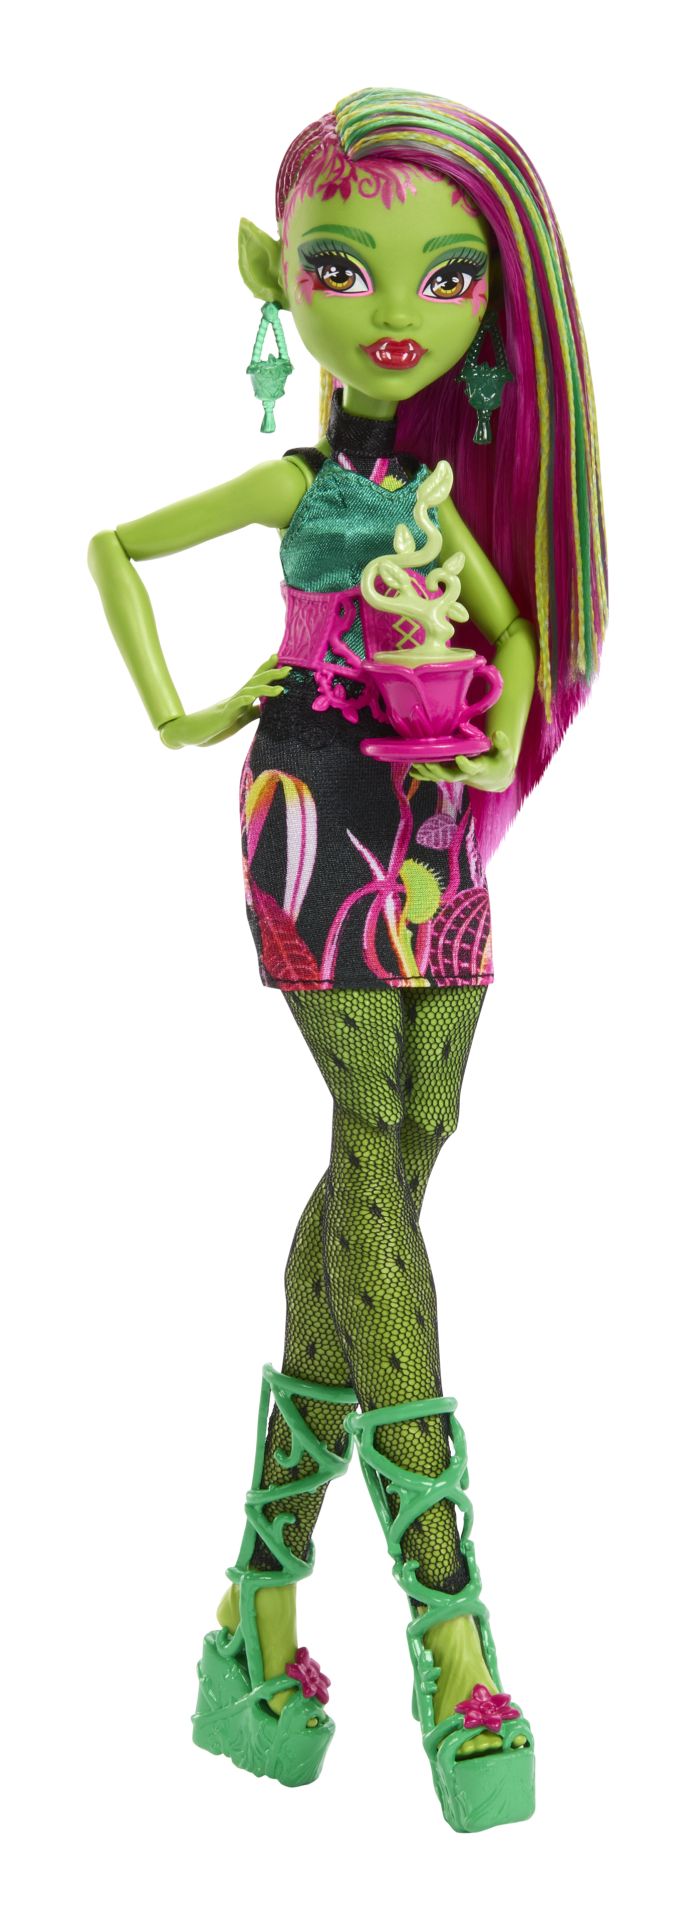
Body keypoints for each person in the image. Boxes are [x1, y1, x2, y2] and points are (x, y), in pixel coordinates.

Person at [88, 87, 606, 1832]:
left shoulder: (441, 497)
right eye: (339, 266)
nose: (393, 308)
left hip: (438, 828)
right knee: (375, 1141)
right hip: (313, 811)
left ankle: (255, 1612)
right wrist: (184, 709)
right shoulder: (300, 480)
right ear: (277, 281)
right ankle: (453, 1629)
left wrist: (494, 737)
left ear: (495, 299)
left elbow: (520, 640)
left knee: (409, 1139)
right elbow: (116, 546)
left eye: (446, 274)